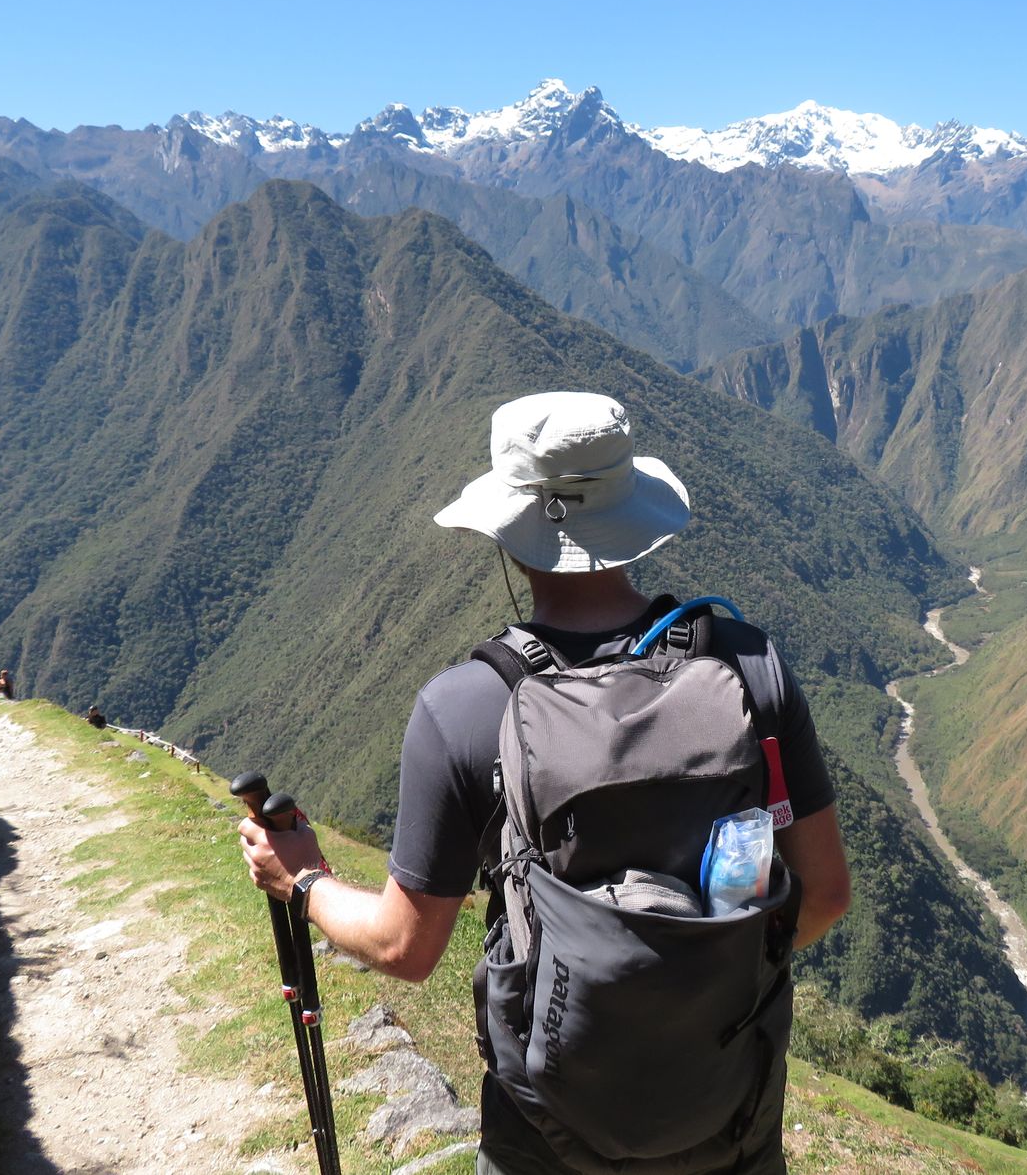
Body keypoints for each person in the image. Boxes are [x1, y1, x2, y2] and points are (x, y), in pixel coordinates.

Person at [241, 391, 852, 1172]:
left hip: (547, 1135)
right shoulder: (749, 669)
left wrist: (303, 880)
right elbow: (824, 895)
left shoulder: (463, 711)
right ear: (630, 514)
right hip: (730, 1120)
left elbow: (403, 945)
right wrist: (695, 985)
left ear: (512, 534)